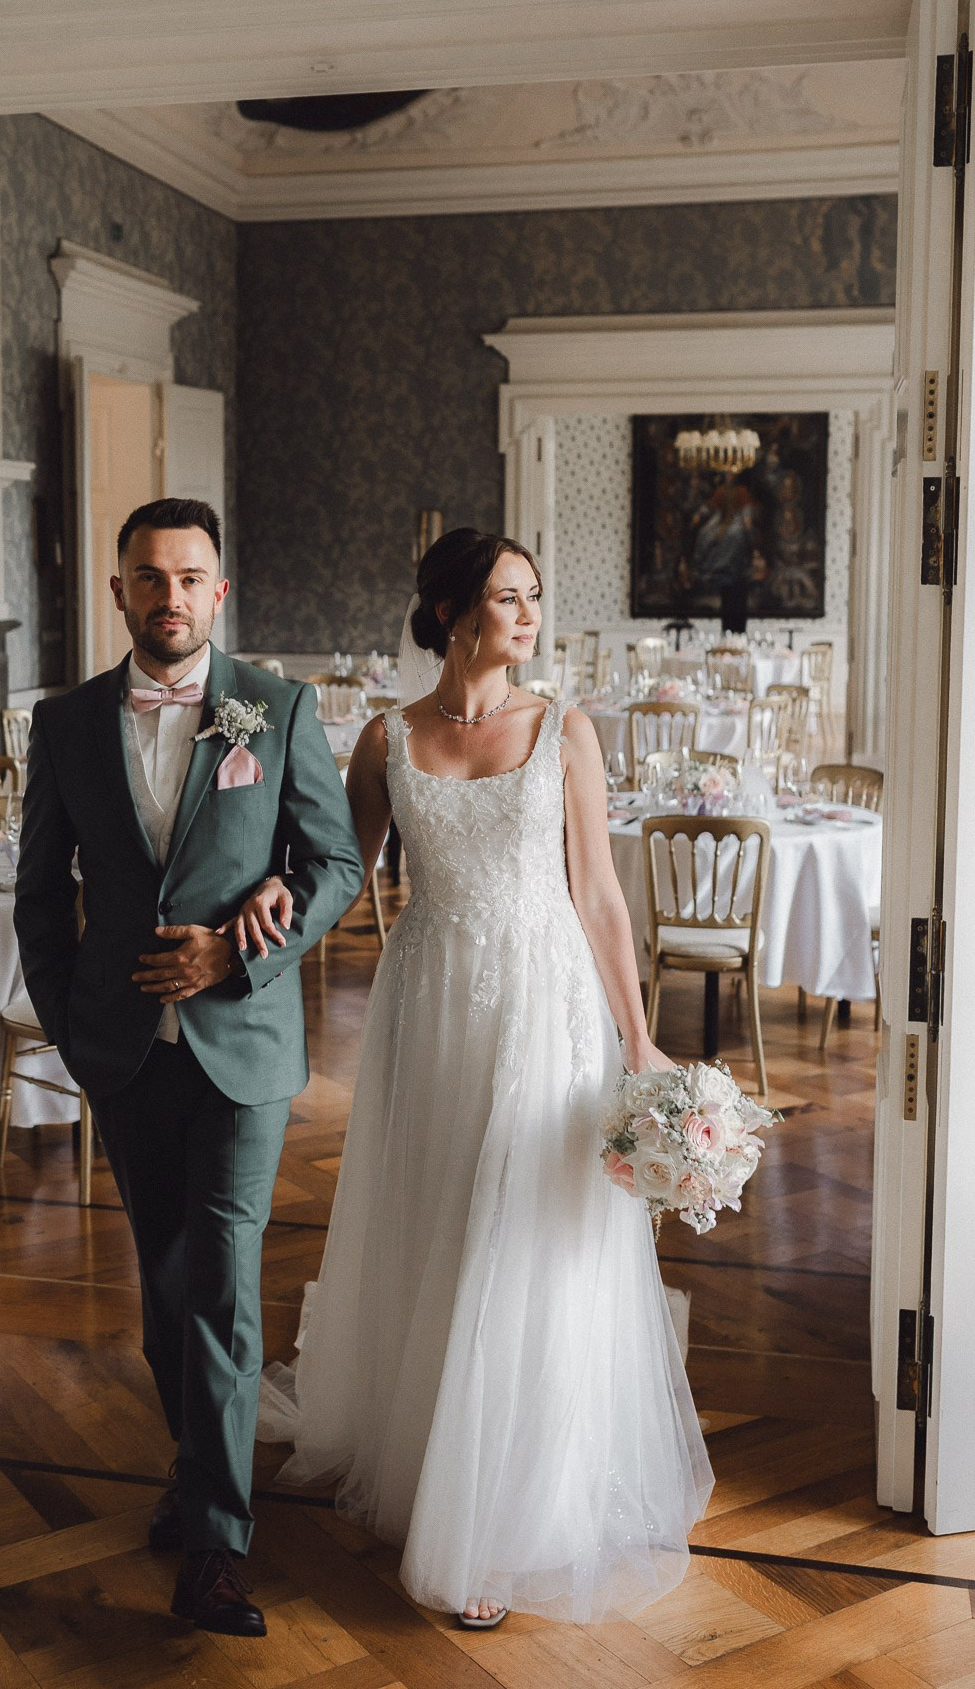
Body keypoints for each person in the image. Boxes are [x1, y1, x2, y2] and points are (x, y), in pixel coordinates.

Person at [238, 528, 713, 1629]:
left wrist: (638, 1039)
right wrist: (266, 897)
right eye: (510, 597)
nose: (531, 614)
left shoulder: (564, 730)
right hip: (428, 1001)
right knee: (441, 1215)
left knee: (527, 1229)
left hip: (547, 1003)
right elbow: (339, 872)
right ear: (454, 612)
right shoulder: (385, 739)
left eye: (534, 595)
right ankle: (427, 1459)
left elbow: (598, 894)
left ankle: (510, 1508)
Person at [13, 497, 363, 1640]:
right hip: (123, 1051)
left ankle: (215, 1545)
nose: (170, 597)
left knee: (220, 1282)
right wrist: (74, 1029)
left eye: (189, 577)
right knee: (164, 1294)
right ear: (120, 590)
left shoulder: (275, 705)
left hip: (241, 1043)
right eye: (149, 578)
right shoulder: (65, 723)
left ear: (219, 590)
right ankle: (196, 1470)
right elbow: (38, 894)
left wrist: (241, 948)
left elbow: (335, 864)